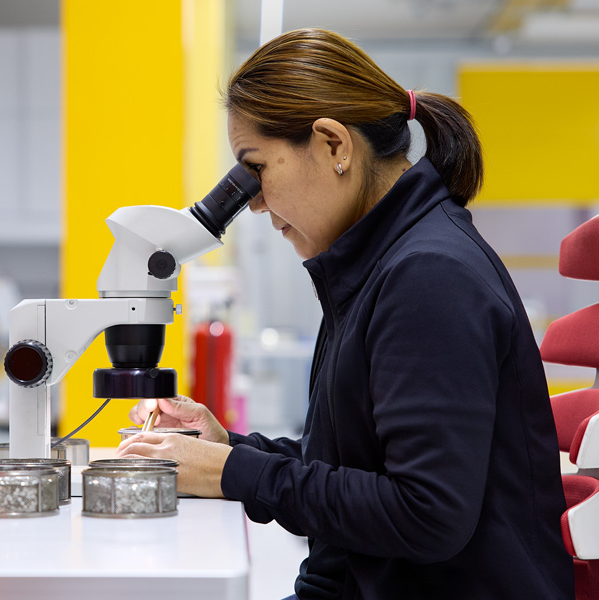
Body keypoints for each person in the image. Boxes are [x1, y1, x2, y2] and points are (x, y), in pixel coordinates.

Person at [117, 28, 573, 599]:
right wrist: (229, 449)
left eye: (256, 169)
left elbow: (426, 513)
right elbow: (358, 467)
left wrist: (232, 476)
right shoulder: (379, 264)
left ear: (334, 145)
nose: (252, 202)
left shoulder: (429, 276)